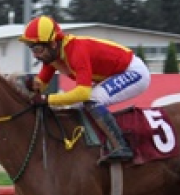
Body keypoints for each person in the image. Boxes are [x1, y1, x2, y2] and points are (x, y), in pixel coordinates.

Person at [19, 15, 151, 163]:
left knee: (92, 99)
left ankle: (121, 146)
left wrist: (47, 99)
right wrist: (30, 85)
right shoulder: (52, 57)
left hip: (133, 72)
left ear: (53, 43)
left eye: (37, 49)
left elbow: (83, 92)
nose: (35, 55)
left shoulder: (76, 51)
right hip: (113, 74)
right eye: (32, 49)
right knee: (74, 107)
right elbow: (40, 84)